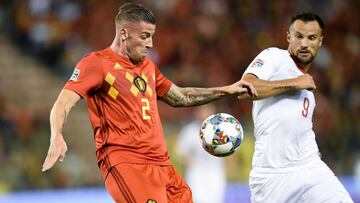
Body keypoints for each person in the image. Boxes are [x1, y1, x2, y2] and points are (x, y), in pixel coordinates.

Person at [41, 3, 257, 203]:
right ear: (124, 33)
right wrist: (56, 135)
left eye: (151, 36)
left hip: (162, 164)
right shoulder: (96, 64)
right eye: (144, 36)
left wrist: (227, 90)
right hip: (126, 163)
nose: (150, 44)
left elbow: (181, 97)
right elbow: (63, 103)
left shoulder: (147, 67)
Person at [238, 12, 353, 202]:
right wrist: (293, 83)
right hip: (272, 176)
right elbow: (243, 90)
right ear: (288, 37)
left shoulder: (308, 91)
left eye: (311, 38)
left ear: (320, 41)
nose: (304, 44)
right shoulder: (274, 57)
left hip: (310, 168)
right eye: (299, 36)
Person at [176, 104, 226, 203]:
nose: (203, 114)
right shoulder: (189, 131)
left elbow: (230, 153)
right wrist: (189, 164)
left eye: (206, 111)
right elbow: (182, 154)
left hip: (215, 174)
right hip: (196, 175)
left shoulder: (221, 130)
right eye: (201, 111)